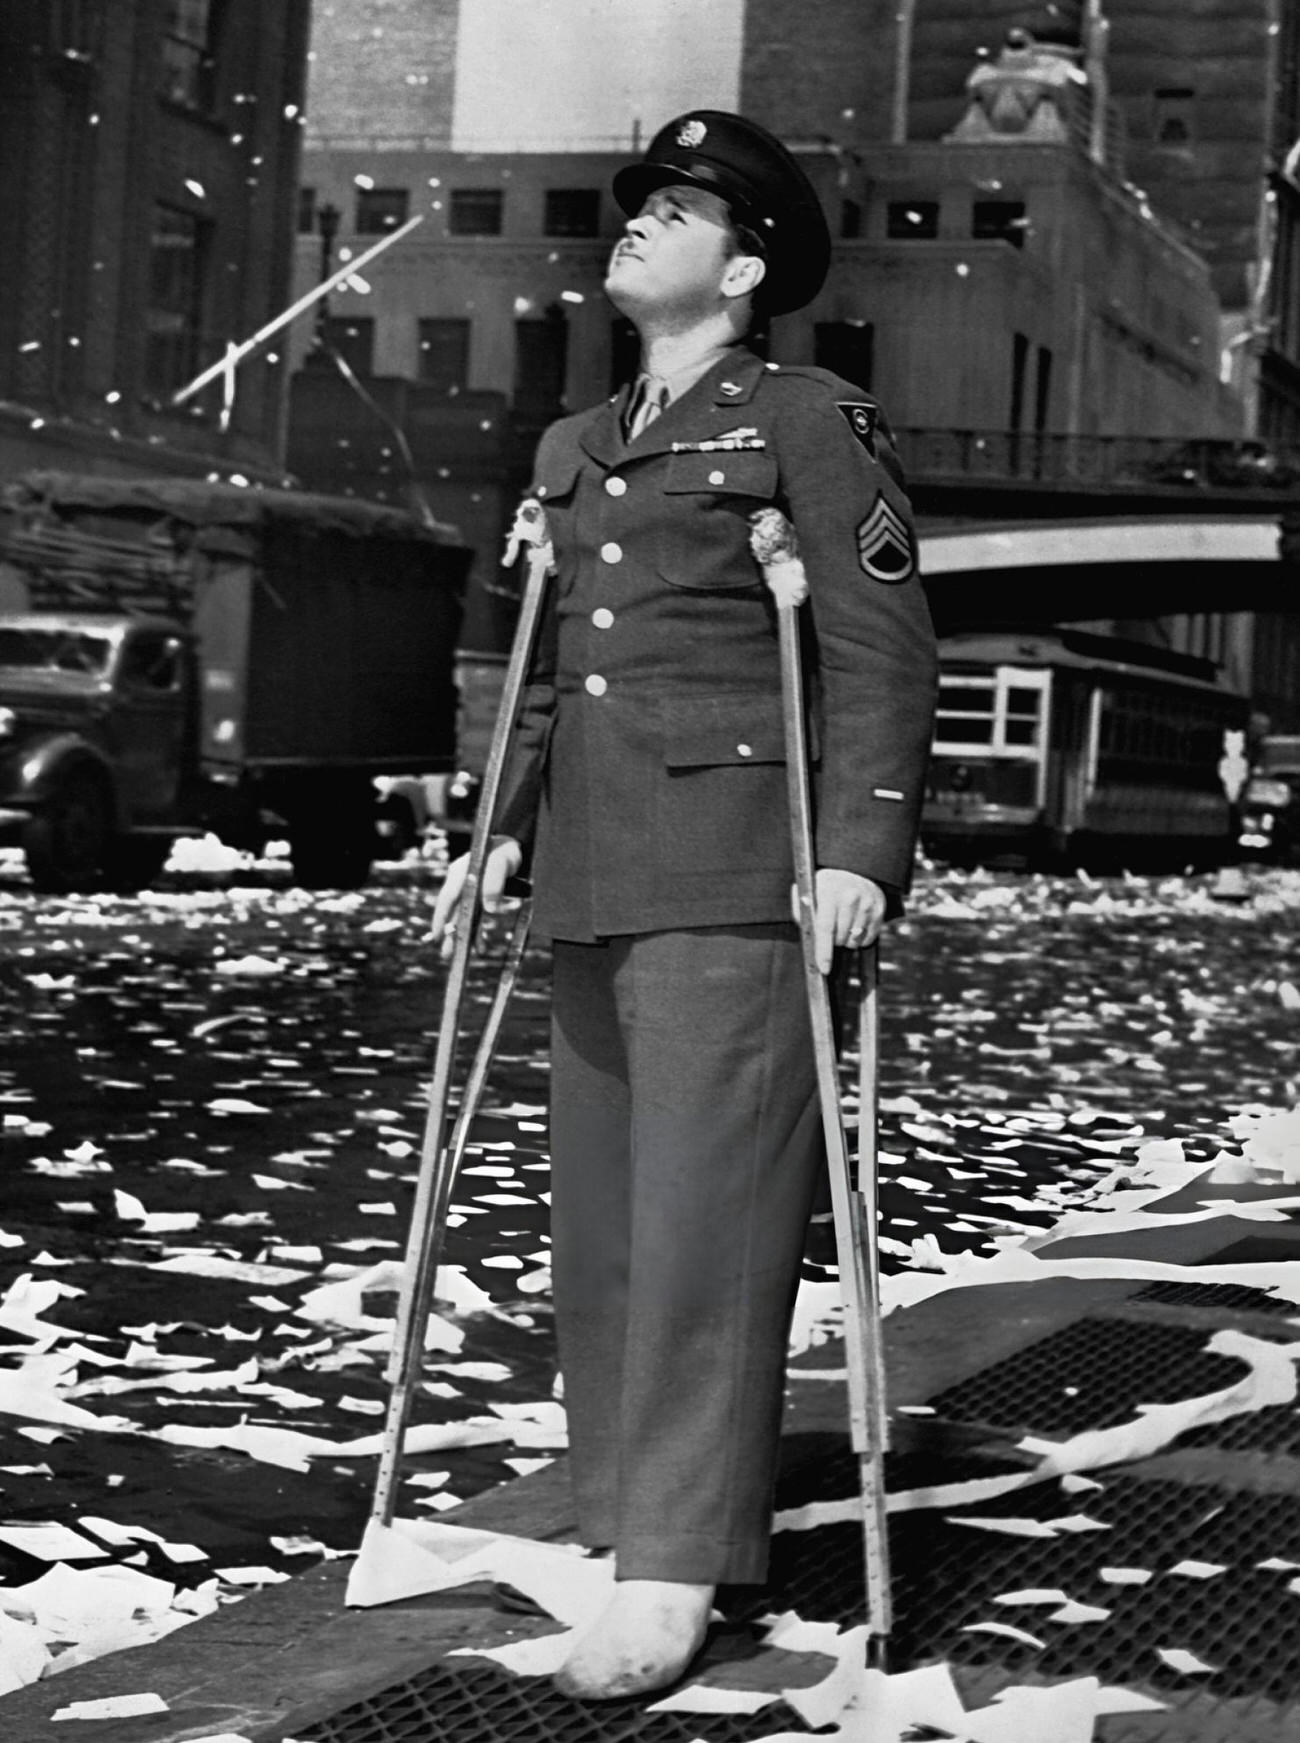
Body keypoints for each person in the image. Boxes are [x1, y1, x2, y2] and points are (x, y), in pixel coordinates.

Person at [432, 109, 937, 1701]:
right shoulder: (574, 447)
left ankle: (673, 1571)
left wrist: (859, 850)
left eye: (676, 210)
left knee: (709, 1233)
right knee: (608, 1240)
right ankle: (631, 1518)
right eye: (636, 202)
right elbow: (541, 671)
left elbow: (877, 649)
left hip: (738, 872)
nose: (636, 223)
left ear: (749, 262)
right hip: (588, 876)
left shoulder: (807, 421)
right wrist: (495, 829)